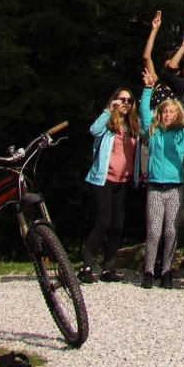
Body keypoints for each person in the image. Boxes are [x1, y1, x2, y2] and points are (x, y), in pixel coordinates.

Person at [139, 67, 184, 289]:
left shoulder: (183, 133)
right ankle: (149, 271)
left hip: (174, 188)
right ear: (160, 114)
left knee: (171, 230)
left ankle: (166, 271)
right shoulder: (153, 132)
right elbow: (144, 114)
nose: (168, 115)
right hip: (155, 187)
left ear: (178, 114)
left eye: (171, 112)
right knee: (154, 231)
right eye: (164, 112)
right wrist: (147, 89)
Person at [79, 87, 141, 284]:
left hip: (123, 181)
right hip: (103, 179)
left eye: (129, 100)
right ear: (114, 100)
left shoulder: (134, 126)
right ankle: (86, 267)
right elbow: (93, 130)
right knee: (103, 222)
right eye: (121, 99)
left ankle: (108, 268)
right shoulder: (107, 124)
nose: (125, 103)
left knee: (117, 225)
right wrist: (108, 110)